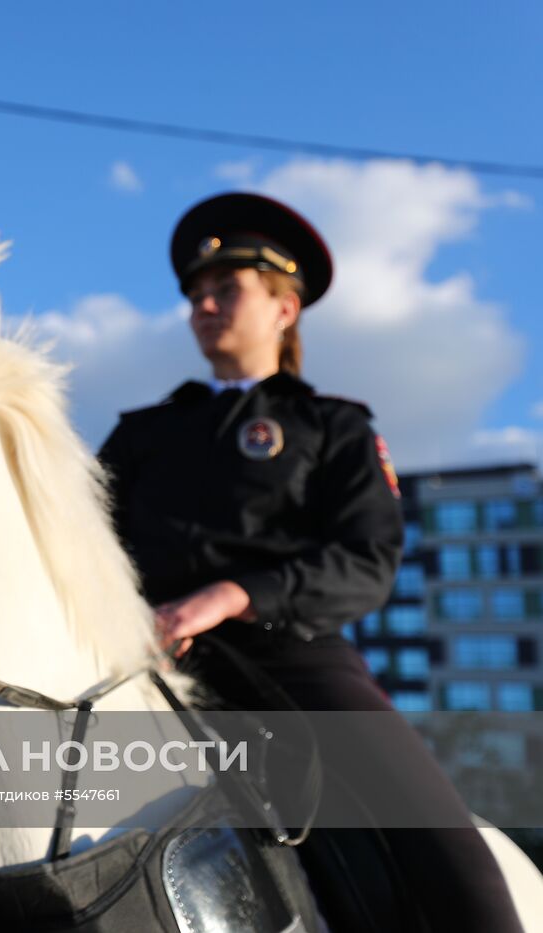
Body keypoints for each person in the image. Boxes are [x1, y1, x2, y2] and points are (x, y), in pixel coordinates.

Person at [97, 192, 523, 932]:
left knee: (441, 839)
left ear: (285, 308)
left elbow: (368, 560)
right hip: (141, 650)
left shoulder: (334, 426)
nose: (203, 303)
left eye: (226, 288)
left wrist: (235, 592)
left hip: (291, 658)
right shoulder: (142, 434)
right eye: (196, 292)